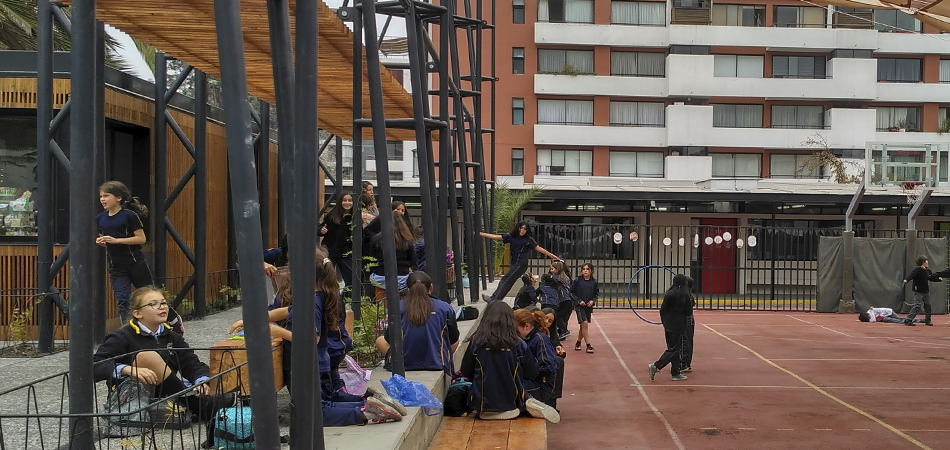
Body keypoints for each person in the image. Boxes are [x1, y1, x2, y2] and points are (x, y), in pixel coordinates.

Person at [93, 287, 235, 431]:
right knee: (148, 357)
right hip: (133, 397)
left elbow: (191, 363)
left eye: (164, 303)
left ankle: (191, 403)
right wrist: (126, 369)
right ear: (137, 313)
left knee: (225, 394)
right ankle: (193, 404)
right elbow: (95, 365)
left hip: (167, 394)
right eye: (153, 304)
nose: (162, 307)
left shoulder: (172, 336)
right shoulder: (121, 336)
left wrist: (201, 381)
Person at [459, 301, 560, 423]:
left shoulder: (476, 342)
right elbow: (532, 373)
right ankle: (526, 400)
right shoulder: (518, 343)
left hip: (481, 406)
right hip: (511, 405)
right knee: (518, 380)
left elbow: (466, 372)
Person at [375, 271, 460, 374]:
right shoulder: (445, 307)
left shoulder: (397, 308)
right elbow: (454, 339)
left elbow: (389, 339)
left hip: (404, 363)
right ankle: (440, 358)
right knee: (453, 340)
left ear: (408, 290)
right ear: (431, 287)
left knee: (380, 340)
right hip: (437, 363)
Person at [96, 181, 152, 323]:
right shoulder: (100, 218)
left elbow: (141, 238)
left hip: (135, 263)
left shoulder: (129, 216)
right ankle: (128, 331)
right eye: (101, 196)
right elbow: (107, 240)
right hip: (116, 266)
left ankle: (166, 324)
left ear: (118, 198)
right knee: (123, 299)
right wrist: (103, 241)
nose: (102, 199)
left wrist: (116, 240)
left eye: (106, 195)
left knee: (148, 296)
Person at [479, 222, 560, 302]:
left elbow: (538, 248)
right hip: (515, 264)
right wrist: (482, 234)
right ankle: (496, 300)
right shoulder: (511, 236)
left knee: (505, 279)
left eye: (525, 229)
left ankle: (493, 299)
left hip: (521, 264)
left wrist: (551, 255)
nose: (522, 230)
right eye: (521, 228)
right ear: (518, 228)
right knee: (508, 282)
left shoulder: (528, 239)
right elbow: (496, 237)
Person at [648, 274, 693, 382]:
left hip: (668, 324)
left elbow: (662, 310)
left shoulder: (669, 294)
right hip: (679, 325)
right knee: (674, 349)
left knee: (673, 348)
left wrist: (665, 321)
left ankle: (675, 372)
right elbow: (688, 311)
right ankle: (656, 366)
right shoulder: (685, 295)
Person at [514, 309, 561, 405]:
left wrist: (525, 371)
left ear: (527, 326)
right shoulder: (527, 338)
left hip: (541, 386)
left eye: (516, 330)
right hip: (530, 380)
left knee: (511, 387)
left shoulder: (541, 340)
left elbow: (547, 368)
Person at [319, 192, 356, 312]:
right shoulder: (332, 215)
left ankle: (348, 303)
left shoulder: (355, 217)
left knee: (350, 278)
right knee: (325, 276)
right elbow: (320, 228)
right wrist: (322, 231)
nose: (347, 203)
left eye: (349, 200)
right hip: (330, 251)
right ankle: (326, 301)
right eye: (344, 200)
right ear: (340, 202)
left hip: (346, 252)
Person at [369, 210, 418, 297]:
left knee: (382, 306)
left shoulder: (376, 240)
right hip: (402, 277)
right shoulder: (407, 240)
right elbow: (413, 260)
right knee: (402, 305)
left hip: (381, 276)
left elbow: (372, 260)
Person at [902, 255, 942, 326]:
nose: (927, 262)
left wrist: (938, 279)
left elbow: (931, 278)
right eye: (926, 260)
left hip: (926, 291)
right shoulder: (917, 270)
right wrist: (906, 280)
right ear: (923, 262)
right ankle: (908, 319)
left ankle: (928, 320)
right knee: (917, 305)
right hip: (918, 291)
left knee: (928, 305)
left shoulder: (927, 271)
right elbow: (911, 275)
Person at [539, 306, 566, 409]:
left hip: (548, 360)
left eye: (550, 321)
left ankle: (552, 400)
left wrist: (559, 350)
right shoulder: (534, 331)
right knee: (557, 363)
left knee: (559, 361)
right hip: (536, 360)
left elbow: (558, 349)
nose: (547, 322)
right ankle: (550, 401)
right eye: (545, 318)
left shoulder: (551, 334)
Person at [570, 263, 598, 354]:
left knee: (583, 325)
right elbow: (571, 292)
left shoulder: (594, 282)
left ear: (591, 271)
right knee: (584, 323)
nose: (585, 270)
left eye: (587, 269)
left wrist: (593, 301)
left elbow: (596, 294)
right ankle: (588, 345)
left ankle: (578, 342)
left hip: (588, 306)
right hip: (579, 306)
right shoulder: (577, 280)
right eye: (584, 269)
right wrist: (578, 301)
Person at [549, 261, 575, 340]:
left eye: (552, 269)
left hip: (563, 299)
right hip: (569, 299)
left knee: (558, 316)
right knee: (564, 318)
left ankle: (564, 331)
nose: (551, 270)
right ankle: (562, 334)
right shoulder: (565, 277)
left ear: (557, 269)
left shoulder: (555, 277)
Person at [680, 276, 696, 373]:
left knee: (685, 342)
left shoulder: (686, 296)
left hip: (686, 322)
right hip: (689, 321)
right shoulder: (688, 295)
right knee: (688, 341)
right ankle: (686, 363)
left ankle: (684, 363)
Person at [859, 307, 925, 324]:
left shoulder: (871, 311)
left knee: (899, 318)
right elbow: (873, 320)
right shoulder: (870, 312)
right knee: (886, 319)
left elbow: (873, 320)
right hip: (885, 316)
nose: (869, 317)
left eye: (868, 316)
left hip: (889, 312)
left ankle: (917, 320)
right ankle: (907, 321)